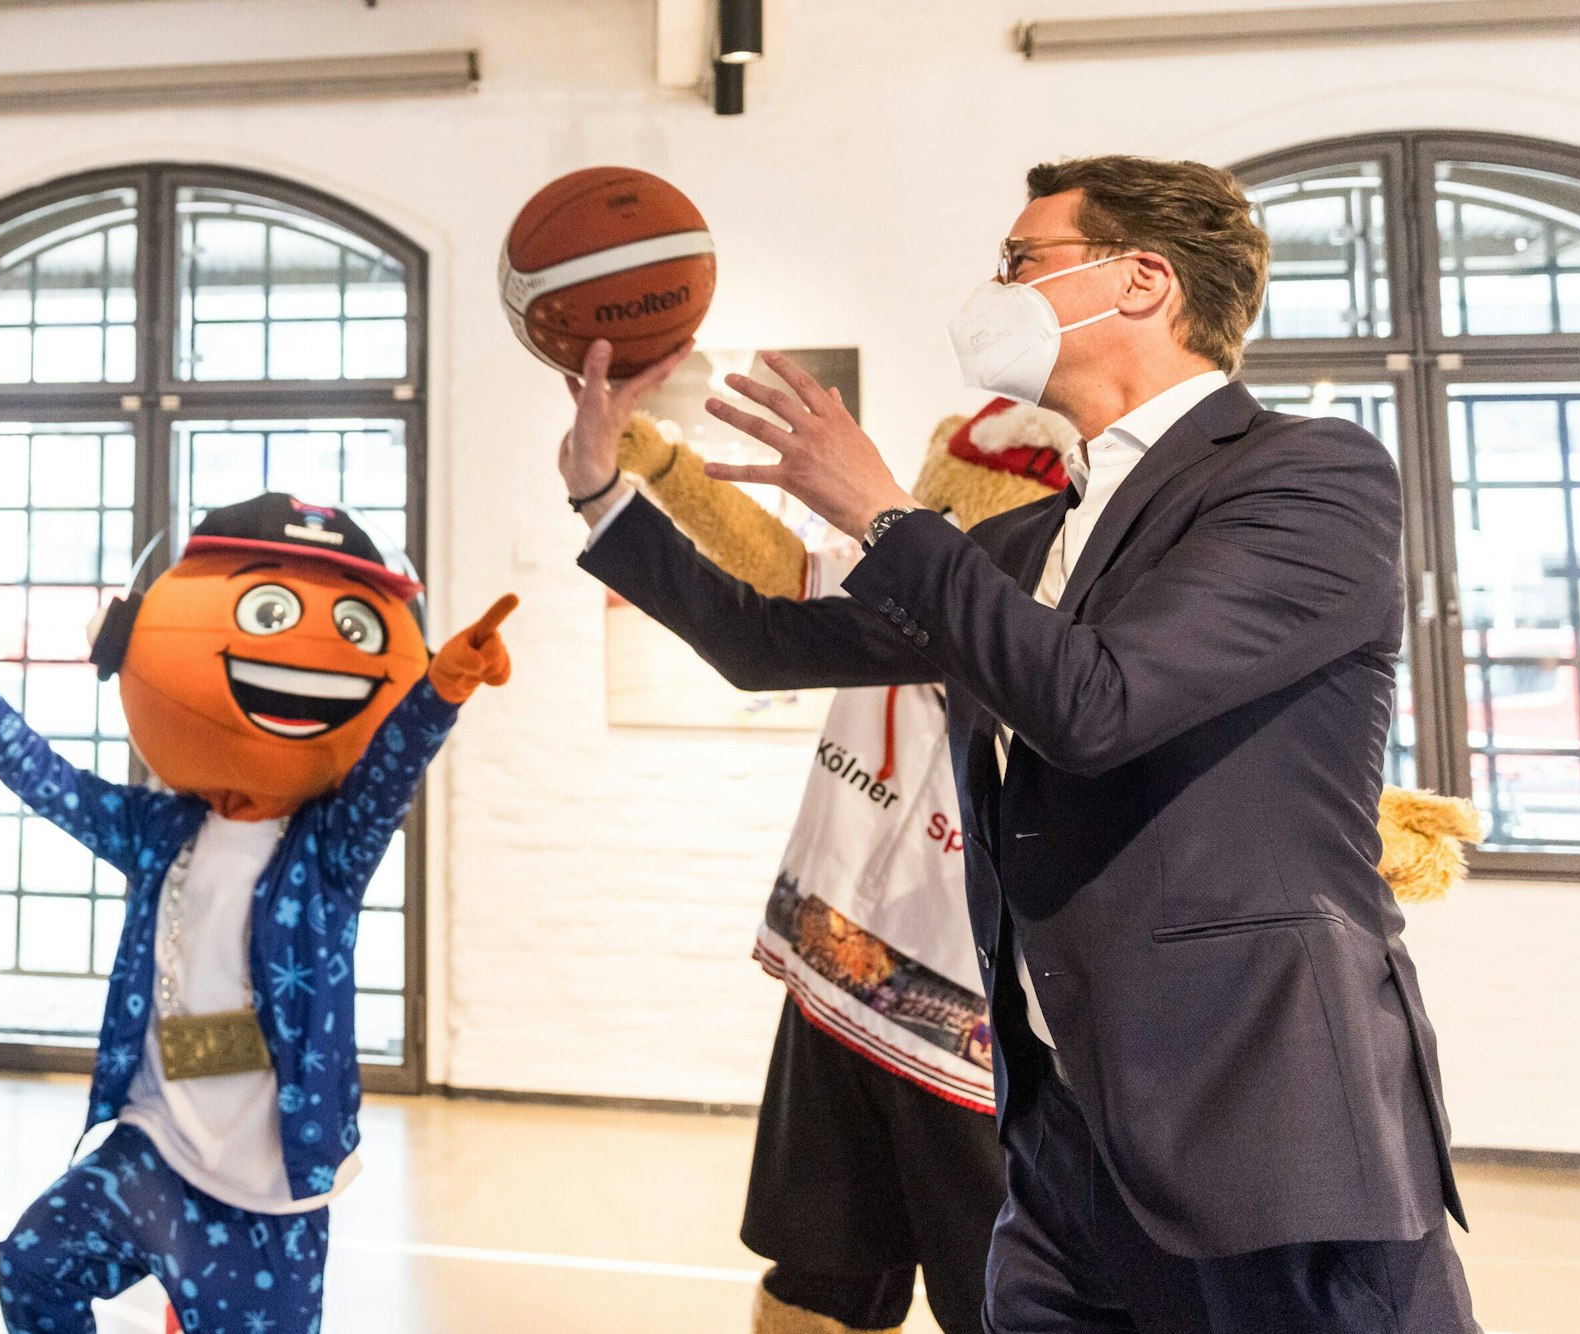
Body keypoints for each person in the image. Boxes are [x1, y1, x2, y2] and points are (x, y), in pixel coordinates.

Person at [559, 153, 1477, 1332]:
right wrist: (601, 493)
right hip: (1058, 1131)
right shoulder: (1031, 532)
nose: (990, 292)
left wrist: (883, 512)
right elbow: (767, 643)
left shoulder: (1305, 474)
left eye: (1017, 262)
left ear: (1140, 281)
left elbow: (1098, 705)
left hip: (1258, 1118)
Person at [0, 494, 514, 1334]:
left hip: (267, 1190)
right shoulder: (160, 829)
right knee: (34, 1264)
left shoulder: (330, 848)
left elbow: (389, 770)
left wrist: (441, 688)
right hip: (152, 1151)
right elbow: (42, 776)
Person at [602, 401, 1073, 1334]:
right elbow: (769, 574)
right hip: (836, 979)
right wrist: (658, 467)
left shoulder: (1053, 647)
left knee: (1000, 1293)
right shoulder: (889, 590)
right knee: (823, 1269)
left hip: (970, 1032)